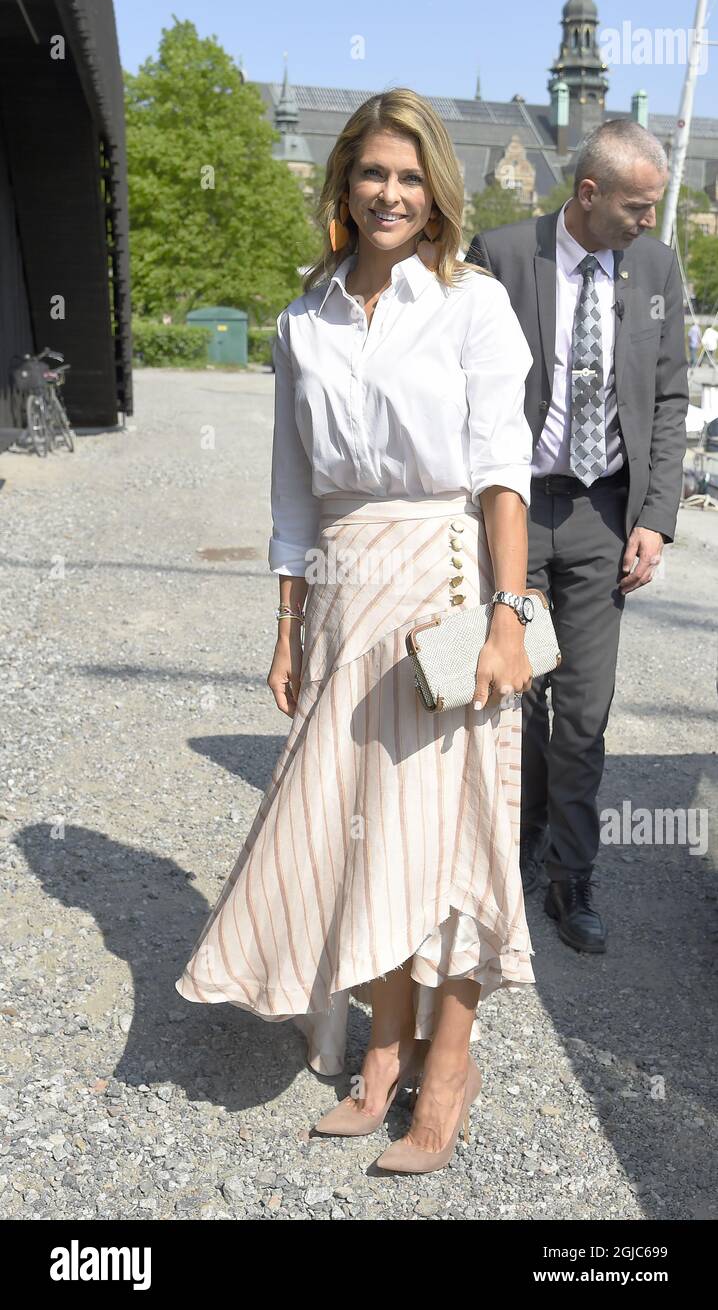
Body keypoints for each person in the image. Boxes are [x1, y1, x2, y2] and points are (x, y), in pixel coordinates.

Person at [175, 87, 537, 1174]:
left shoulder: (471, 304)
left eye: (409, 176)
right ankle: (385, 1050)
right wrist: (285, 625)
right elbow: (291, 495)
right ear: (344, 184)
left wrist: (509, 617)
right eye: (373, 173)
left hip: (442, 586)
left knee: (452, 832)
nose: (389, 191)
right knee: (361, 829)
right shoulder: (302, 320)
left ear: (435, 194)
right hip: (340, 590)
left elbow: (501, 471)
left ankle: (447, 1068)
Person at [465, 120, 689, 953]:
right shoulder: (502, 254)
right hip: (515, 509)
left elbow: (669, 400)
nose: (648, 220)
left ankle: (571, 882)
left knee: (583, 713)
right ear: (587, 194)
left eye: (656, 207)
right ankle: (510, 857)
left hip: (603, 515)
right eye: (637, 206)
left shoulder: (657, 267)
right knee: (509, 700)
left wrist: (656, 520)